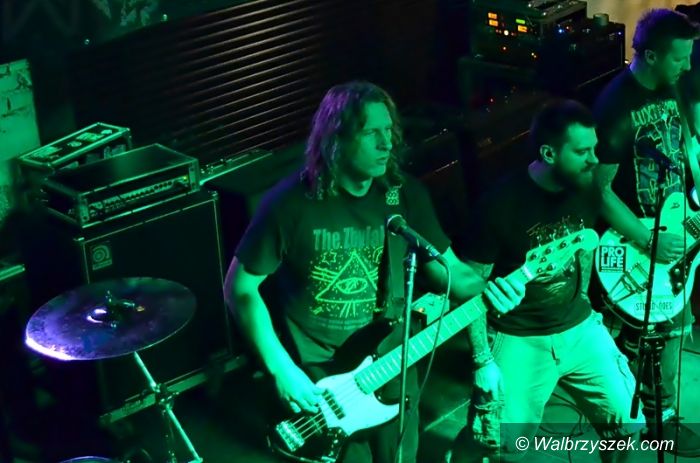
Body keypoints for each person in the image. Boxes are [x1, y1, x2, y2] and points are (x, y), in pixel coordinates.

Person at [223, 81, 525, 463]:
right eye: (371, 133)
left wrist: (492, 289)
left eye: (389, 130)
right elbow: (240, 288)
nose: (386, 144)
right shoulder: (289, 205)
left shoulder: (403, 195)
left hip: (393, 363)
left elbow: (449, 271)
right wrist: (281, 369)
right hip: (321, 377)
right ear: (337, 139)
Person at [448, 100, 645, 463]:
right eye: (582, 151)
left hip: (579, 327)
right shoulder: (499, 205)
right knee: (495, 443)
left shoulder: (586, 185)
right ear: (549, 154)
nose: (594, 160)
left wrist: (585, 304)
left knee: (627, 421)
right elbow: (468, 286)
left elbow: (584, 248)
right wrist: (482, 360)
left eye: (595, 148)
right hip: (519, 335)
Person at [593, 8, 700, 456]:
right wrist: (647, 238)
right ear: (651, 55)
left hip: (679, 229)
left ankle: (663, 418)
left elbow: (686, 147)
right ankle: (648, 422)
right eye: (679, 58)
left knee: (676, 327)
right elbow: (598, 191)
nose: (688, 66)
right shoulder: (615, 106)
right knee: (649, 339)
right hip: (639, 245)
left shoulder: (672, 84)